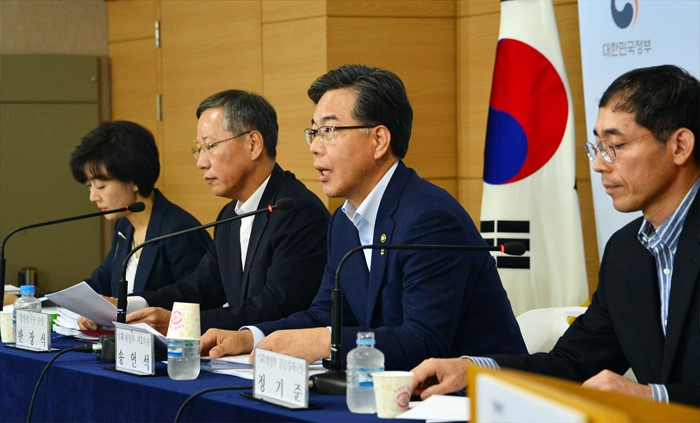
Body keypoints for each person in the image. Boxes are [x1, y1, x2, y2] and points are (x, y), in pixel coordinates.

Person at [200, 64, 526, 370]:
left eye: (329, 130)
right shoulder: (344, 222)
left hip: (476, 396)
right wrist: (252, 336)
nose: (315, 147)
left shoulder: (430, 219)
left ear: (379, 140)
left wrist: (325, 342)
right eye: (314, 132)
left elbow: (424, 341)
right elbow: (325, 314)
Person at [411, 65, 700, 407]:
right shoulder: (627, 251)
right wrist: (472, 370)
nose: (599, 165)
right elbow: (571, 365)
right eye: (597, 147)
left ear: (680, 146)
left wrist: (651, 396)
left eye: (615, 146)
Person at [119, 90, 330, 335]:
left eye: (210, 146)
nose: (201, 162)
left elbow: (277, 306)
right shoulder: (230, 215)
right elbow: (203, 288)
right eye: (198, 149)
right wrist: (130, 305)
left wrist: (182, 323)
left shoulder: (297, 211)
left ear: (253, 144)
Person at [69, 121, 211, 299]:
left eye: (100, 186)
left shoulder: (179, 230)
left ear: (134, 180)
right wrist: (46, 300)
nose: (93, 197)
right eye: (89, 186)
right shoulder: (124, 225)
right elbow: (101, 282)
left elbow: (198, 296)